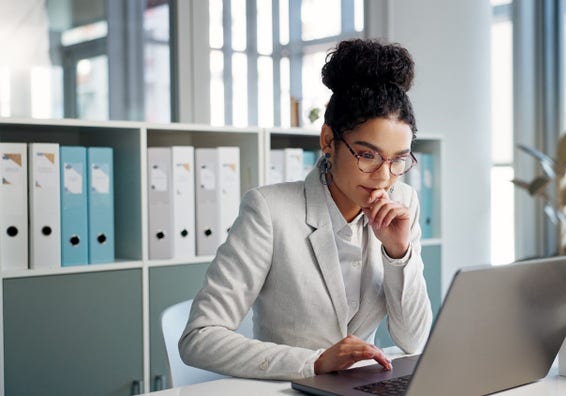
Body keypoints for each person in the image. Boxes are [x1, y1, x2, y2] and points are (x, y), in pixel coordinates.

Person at [179, 38, 432, 381]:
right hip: (291, 387)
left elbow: (413, 339)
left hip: (362, 388)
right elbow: (199, 337)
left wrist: (397, 252)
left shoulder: (403, 203)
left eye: (398, 160)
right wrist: (313, 362)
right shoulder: (269, 211)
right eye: (368, 155)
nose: (384, 177)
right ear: (328, 140)